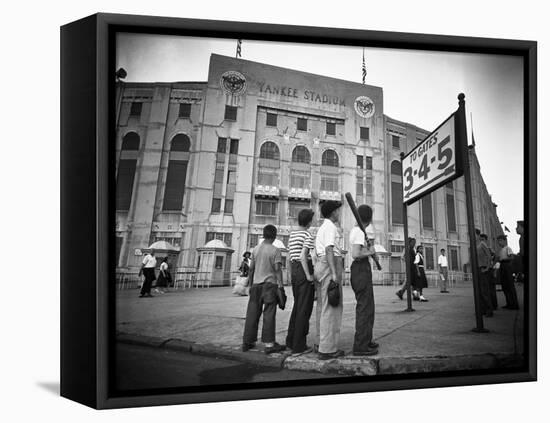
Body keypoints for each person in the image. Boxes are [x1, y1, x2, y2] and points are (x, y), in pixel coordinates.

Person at [242, 225, 286, 354]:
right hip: (269, 286)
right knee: (269, 314)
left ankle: (247, 342)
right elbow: (278, 270)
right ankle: (269, 344)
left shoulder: (255, 249)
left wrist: (250, 285)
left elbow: (251, 269)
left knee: (252, 314)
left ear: (263, 234)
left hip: (256, 286)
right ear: (274, 235)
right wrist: (281, 286)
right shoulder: (275, 250)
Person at [313, 200, 345, 360]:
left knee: (322, 306)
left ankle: (321, 343)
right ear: (333, 212)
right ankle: (327, 349)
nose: (339, 213)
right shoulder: (331, 227)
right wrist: (334, 273)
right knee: (331, 307)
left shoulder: (323, 227)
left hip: (321, 264)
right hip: (329, 265)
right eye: (338, 211)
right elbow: (329, 249)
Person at [349, 204, 379, 356]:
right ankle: (361, 346)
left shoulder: (359, 231)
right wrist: (370, 251)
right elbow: (355, 253)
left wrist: (369, 250)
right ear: (369, 217)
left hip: (361, 269)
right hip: (360, 269)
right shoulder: (359, 231)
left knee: (369, 307)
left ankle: (366, 340)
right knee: (364, 308)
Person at [285, 209, 316, 355]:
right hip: (303, 270)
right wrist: (309, 275)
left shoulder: (292, 234)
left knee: (297, 307)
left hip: (295, 271)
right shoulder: (307, 234)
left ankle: (290, 342)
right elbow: (304, 256)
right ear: (309, 221)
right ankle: (299, 346)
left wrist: (292, 275)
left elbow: (289, 256)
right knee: (304, 308)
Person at [496, 235, 519, 310]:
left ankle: (514, 304)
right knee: (505, 286)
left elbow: (512, 257)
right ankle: (509, 303)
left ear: (504, 240)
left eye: (500, 241)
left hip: (507, 265)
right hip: (502, 266)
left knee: (510, 286)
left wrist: (505, 259)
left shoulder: (507, 248)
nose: (499, 243)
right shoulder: (501, 250)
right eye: (498, 241)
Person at [476, 230, 494, 317]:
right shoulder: (476, 245)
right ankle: (483, 309)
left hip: (483, 268)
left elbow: (489, 256)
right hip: (478, 269)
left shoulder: (482, 244)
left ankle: (489, 310)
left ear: (478, 235)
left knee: (485, 291)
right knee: (480, 291)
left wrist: (487, 268)